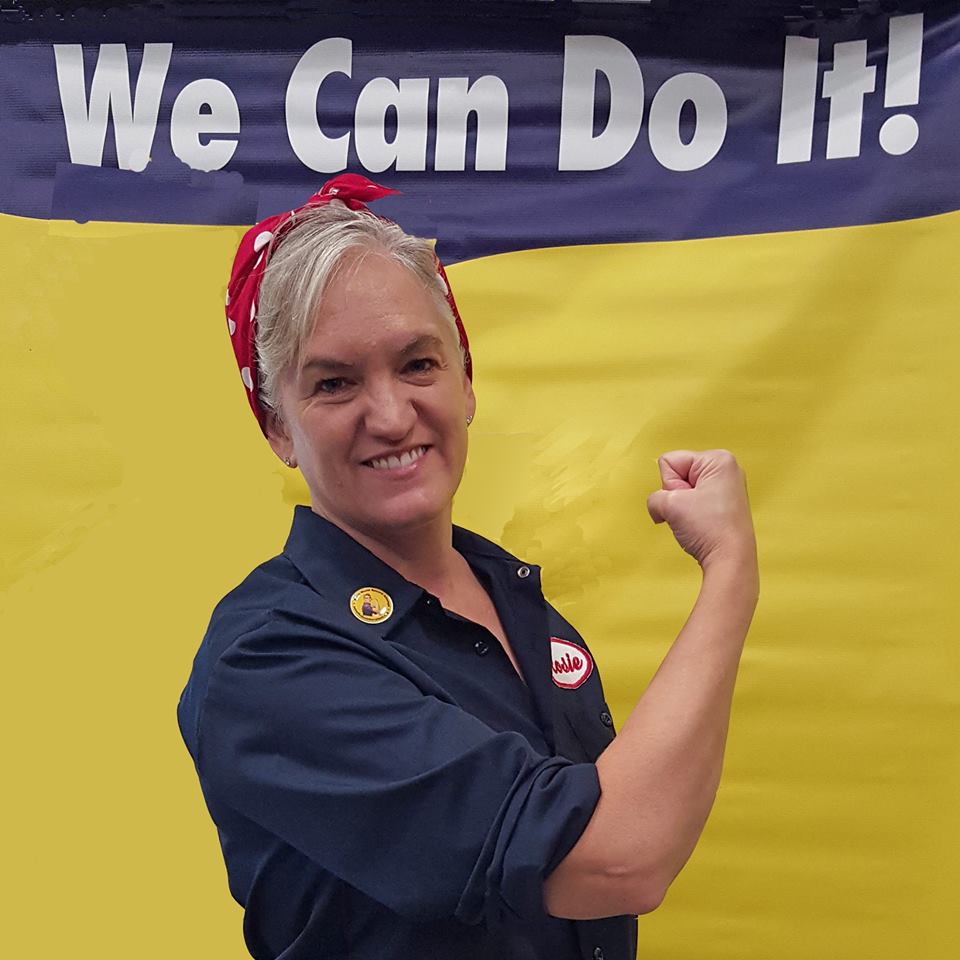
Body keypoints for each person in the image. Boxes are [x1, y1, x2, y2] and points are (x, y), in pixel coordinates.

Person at [177, 174, 759, 960]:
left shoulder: (520, 608)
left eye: (418, 365)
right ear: (279, 428)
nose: (389, 415)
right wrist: (729, 573)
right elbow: (614, 855)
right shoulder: (267, 661)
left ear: (466, 380)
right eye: (335, 383)